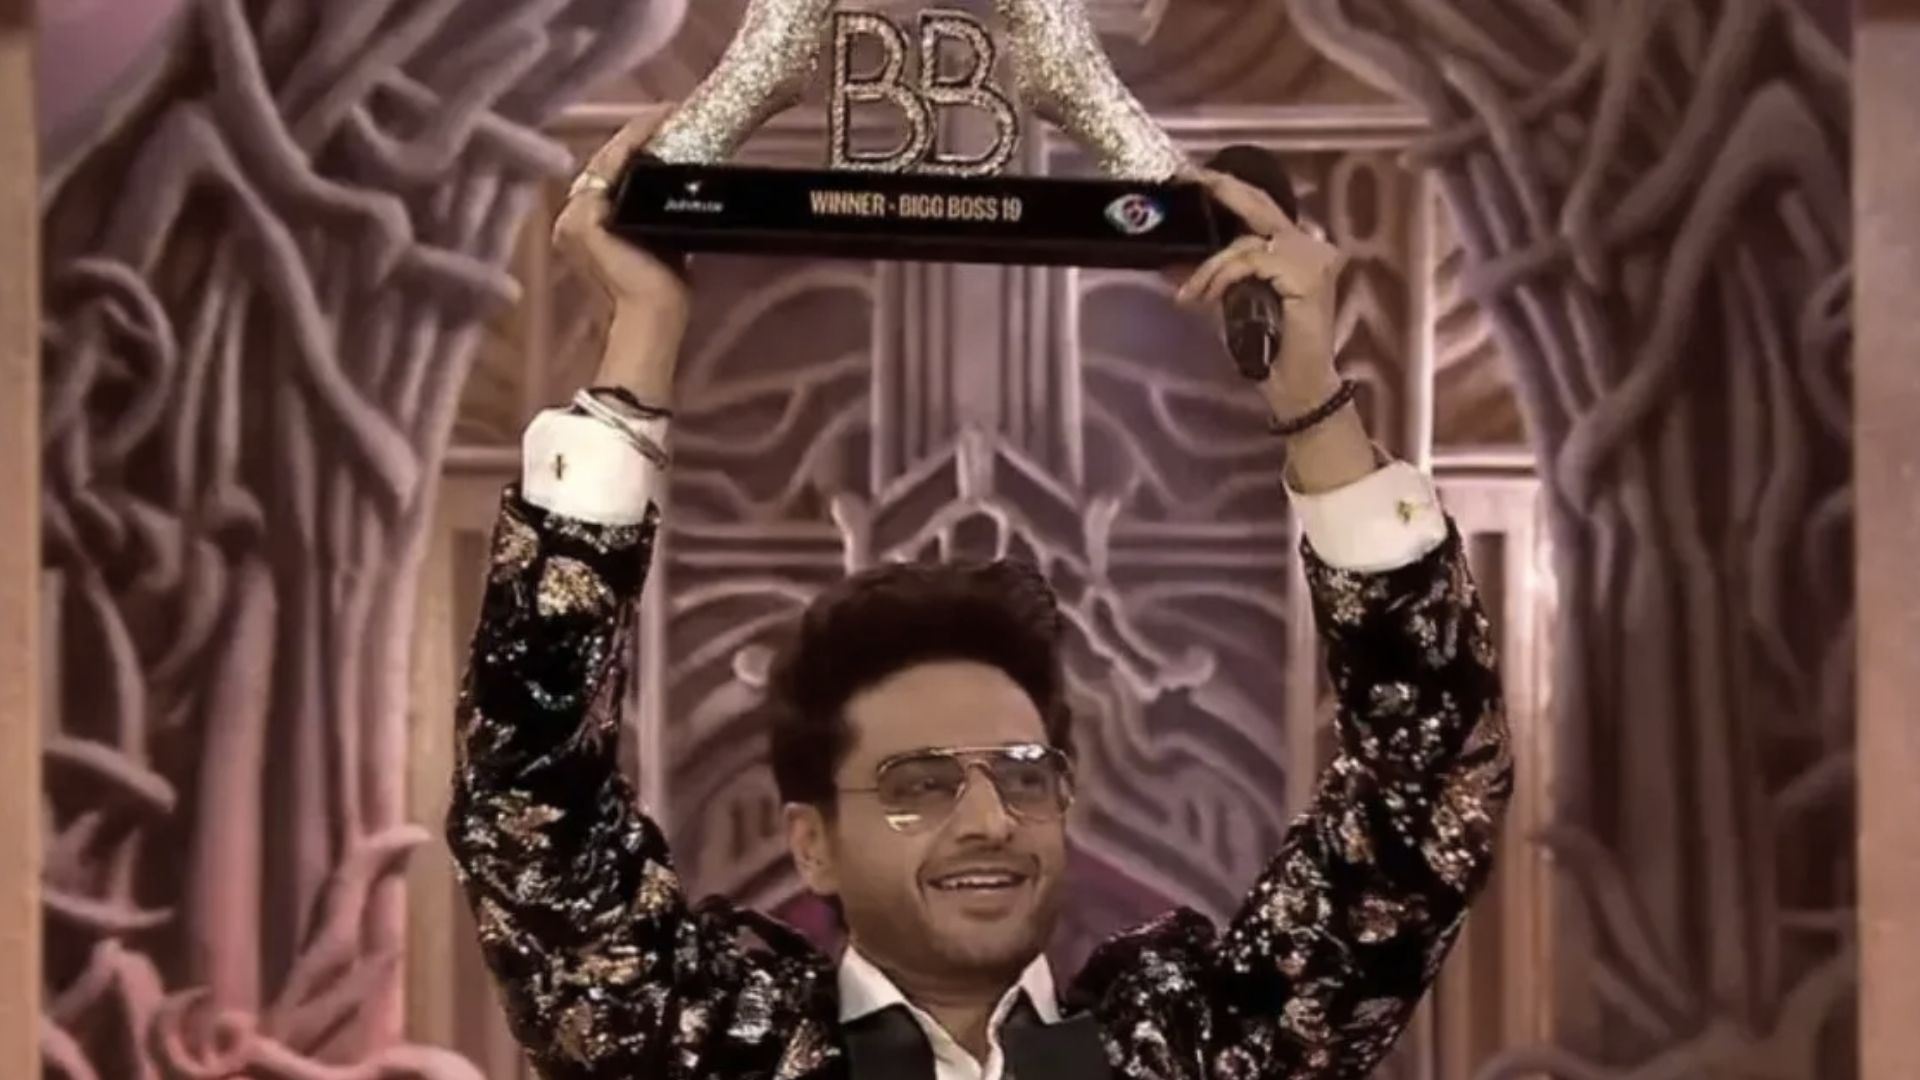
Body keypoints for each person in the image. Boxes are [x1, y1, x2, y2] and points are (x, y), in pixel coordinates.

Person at [446, 106, 1512, 1080]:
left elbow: (1427, 801)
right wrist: (641, 335)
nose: (990, 819)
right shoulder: (709, 1051)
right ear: (811, 842)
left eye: (1023, 774)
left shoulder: (1184, 1056)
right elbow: (528, 802)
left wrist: (1310, 393)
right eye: (917, 783)